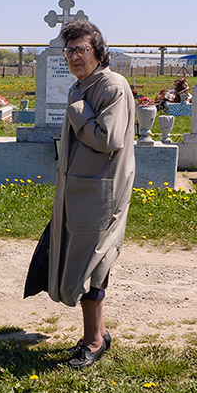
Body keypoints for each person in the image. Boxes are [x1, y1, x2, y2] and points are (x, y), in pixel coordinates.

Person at [48, 19, 135, 369]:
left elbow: (107, 139)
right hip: (81, 190)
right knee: (85, 264)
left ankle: (95, 341)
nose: (73, 57)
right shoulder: (82, 85)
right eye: (69, 51)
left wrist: (80, 112)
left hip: (101, 193)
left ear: (98, 52)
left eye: (80, 50)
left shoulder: (110, 86)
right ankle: (95, 335)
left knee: (94, 267)